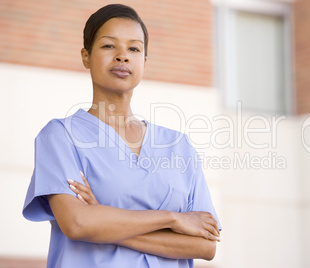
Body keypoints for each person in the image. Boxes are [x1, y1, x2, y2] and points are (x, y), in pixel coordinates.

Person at [22, 4, 221, 268]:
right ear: (86, 56)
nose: (122, 56)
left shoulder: (178, 146)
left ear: (144, 62)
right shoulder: (61, 137)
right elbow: (77, 223)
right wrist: (173, 219)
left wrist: (105, 222)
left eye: (134, 49)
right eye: (108, 46)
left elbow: (205, 245)